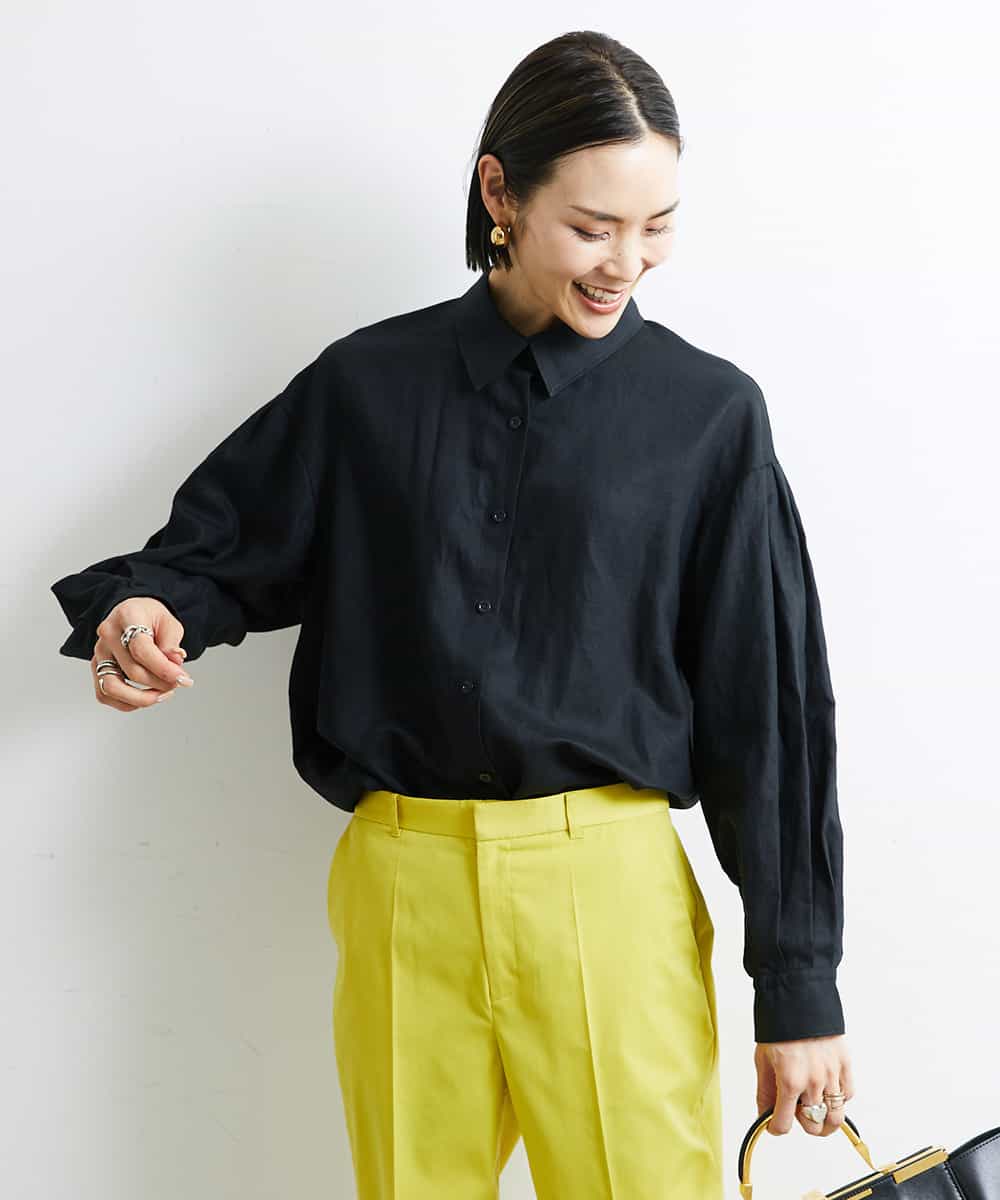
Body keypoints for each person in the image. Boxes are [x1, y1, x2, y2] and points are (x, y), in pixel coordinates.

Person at [51, 29, 855, 1200]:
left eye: (656, 225)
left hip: (608, 888)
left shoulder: (705, 416)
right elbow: (215, 556)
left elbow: (766, 712)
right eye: (593, 226)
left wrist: (799, 989)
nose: (626, 262)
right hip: (401, 885)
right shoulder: (366, 386)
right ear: (499, 193)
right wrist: (143, 612)